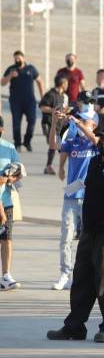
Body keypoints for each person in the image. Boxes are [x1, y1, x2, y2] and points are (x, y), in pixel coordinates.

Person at [46, 125, 104, 343]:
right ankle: (74, 327)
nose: (103, 143)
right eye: (101, 139)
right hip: (89, 230)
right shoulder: (95, 162)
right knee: (81, 280)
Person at [51, 105, 99, 291]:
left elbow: (95, 139)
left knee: (89, 239)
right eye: (81, 119)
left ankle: (86, 274)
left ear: (93, 124)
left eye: (85, 120)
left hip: (90, 198)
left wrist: (78, 122)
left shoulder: (95, 141)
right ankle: (65, 273)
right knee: (66, 237)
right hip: (71, 196)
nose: (80, 122)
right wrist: (56, 121)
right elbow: (57, 145)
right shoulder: (73, 141)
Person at [2, 51, 43, 151]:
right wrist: (10, 76)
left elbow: (40, 81)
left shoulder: (31, 69)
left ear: (23, 58)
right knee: (16, 123)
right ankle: (17, 144)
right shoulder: (11, 69)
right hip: (15, 101)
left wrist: (43, 97)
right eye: (15, 58)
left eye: (19, 58)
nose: (17, 60)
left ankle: (27, 141)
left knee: (32, 121)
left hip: (30, 101)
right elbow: (2, 83)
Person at [0, 116, 23, 291]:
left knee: (7, 238)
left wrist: (10, 178)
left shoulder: (9, 147)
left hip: (6, 200)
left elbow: (19, 170)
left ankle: (6, 275)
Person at [39, 74, 68, 175]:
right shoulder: (50, 94)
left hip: (59, 125)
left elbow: (63, 109)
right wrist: (54, 110)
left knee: (56, 145)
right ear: (62, 84)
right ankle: (49, 167)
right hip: (49, 123)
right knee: (53, 145)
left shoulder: (63, 96)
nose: (67, 85)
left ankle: (50, 166)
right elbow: (42, 107)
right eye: (66, 83)